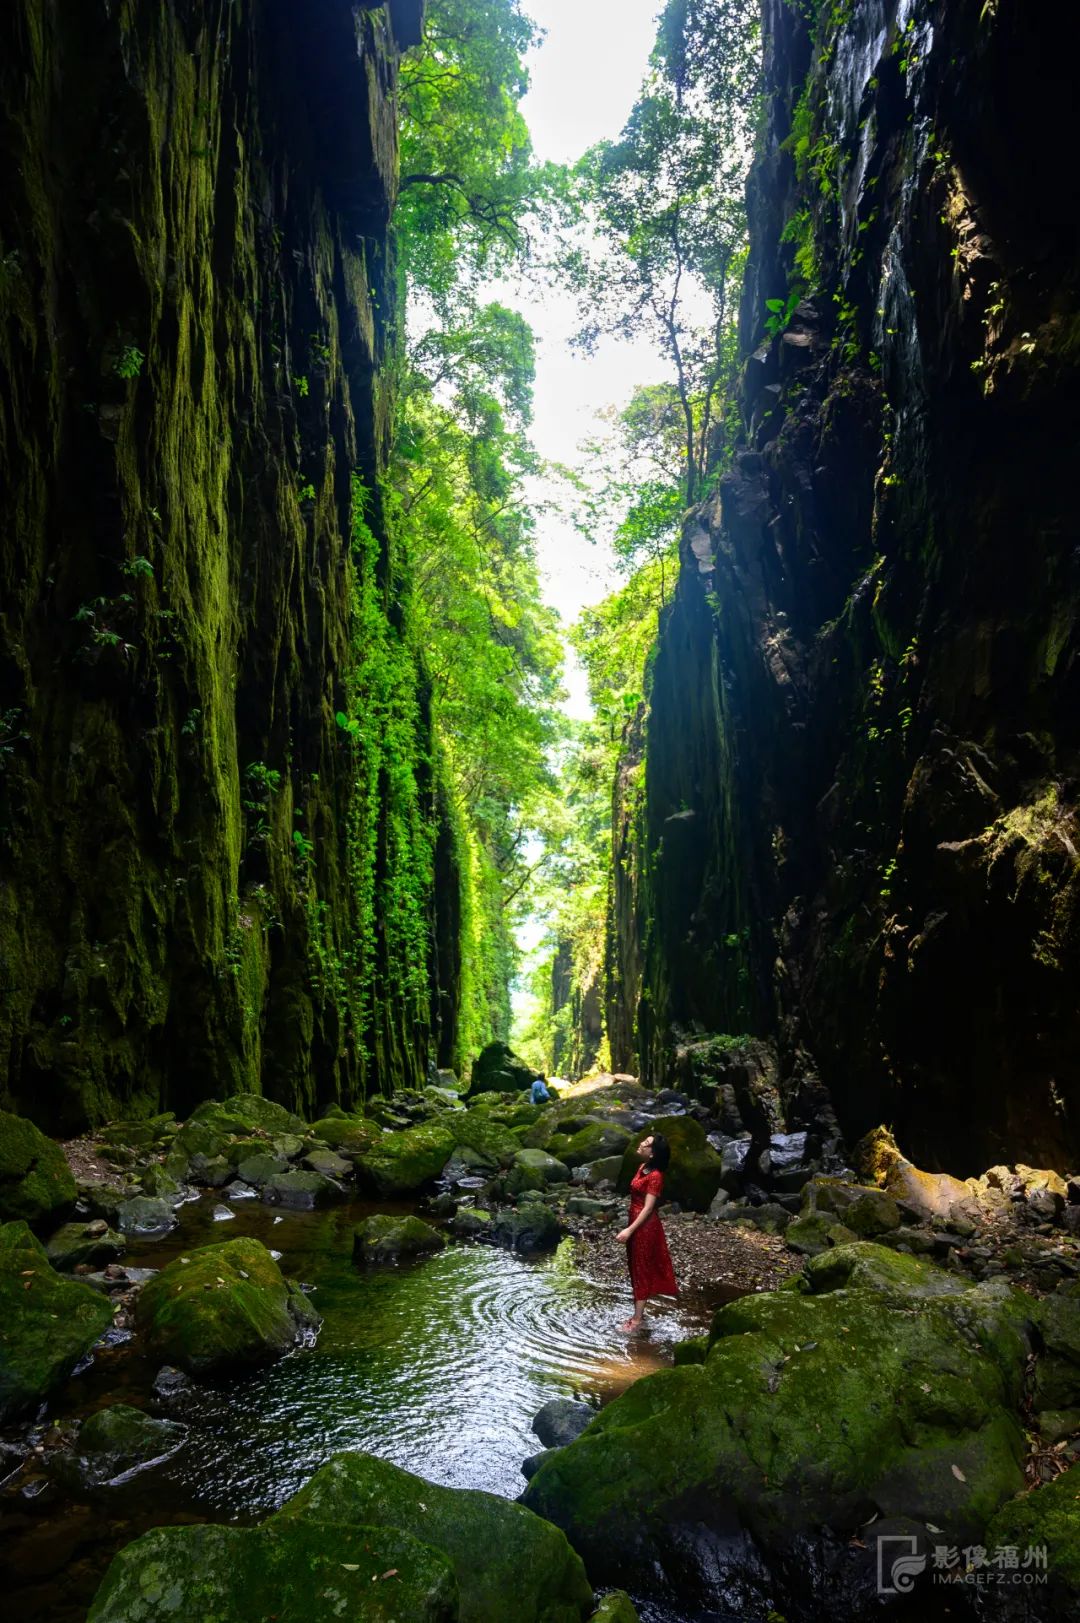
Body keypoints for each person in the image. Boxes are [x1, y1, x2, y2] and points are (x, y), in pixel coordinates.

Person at [616, 1132, 678, 1332]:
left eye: (647, 1143)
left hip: (645, 1227)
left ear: (653, 1153)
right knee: (634, 1266)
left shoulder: (655, 1176)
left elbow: (648, 1208)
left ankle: (637, 1320)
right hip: (635, 1221)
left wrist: (630, 1230)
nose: (641, 1143)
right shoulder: (642, 1167)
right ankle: (638, 1313)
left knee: (641, 1268)